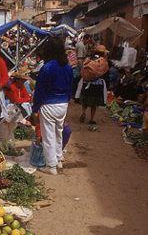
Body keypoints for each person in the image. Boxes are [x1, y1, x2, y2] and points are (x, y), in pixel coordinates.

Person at [32, 37, 73, 175]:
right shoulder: (67, 66)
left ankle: (51, 167)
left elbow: (40, 90)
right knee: (58, 132)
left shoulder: (47, 67)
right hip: (63, 104)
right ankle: (58, 159)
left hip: (49, 104)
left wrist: (35, 108)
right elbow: (70, 86)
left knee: (48, 135)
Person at [77, 45, 109, 130]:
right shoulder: (103, 62)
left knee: (85, 101)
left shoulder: (90, 59)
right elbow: (105, 74)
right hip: (97, 84)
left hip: (86, 82)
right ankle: (91, 118)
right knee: (94, 103)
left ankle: (83, 112)